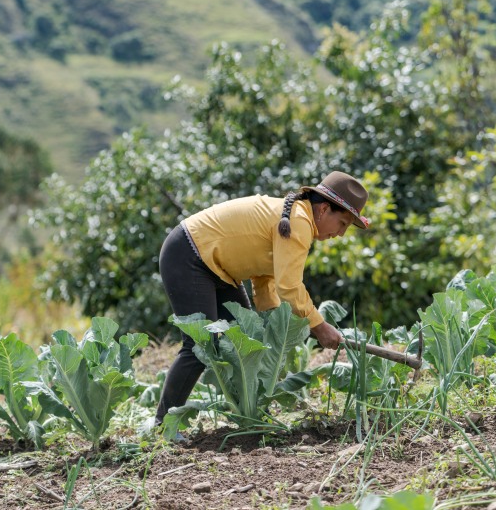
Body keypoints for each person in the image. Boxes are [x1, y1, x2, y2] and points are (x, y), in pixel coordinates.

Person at [154, 170, 371, 427]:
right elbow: (289, 286)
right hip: (189, 255)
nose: (341, 234)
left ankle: (247, 416)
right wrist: (319, 326)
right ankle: (163, 425)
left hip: (218, 268)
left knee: (248, 342)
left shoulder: (295, 218)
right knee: (200, 343)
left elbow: (265, 278)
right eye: (343, 224)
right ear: (324, 210)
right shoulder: (299, 221)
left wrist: (273, 327)